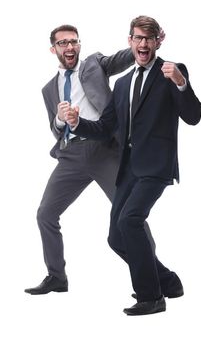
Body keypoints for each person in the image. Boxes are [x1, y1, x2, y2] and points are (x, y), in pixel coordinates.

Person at [64, 15, 201, 316]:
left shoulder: (172, 73)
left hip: (156, 166)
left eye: (149, 39)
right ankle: (167, 280)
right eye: (138, 38)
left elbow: (193, 116)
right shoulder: (123, 83)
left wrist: (181, 83)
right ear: (130, 41)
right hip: (128, 169)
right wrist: (77, 123)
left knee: (130, 221)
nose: (143, 44)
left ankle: (151, 297)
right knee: (116, 237)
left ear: (157, 42)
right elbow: (105, 127)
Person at [25, 24, 139, 296]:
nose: (69, 47)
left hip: (103, 149)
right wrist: (59, 118)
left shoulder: (93, 65)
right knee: (46, 214)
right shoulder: (48, 89)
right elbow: (55, 130)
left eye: (73, 41)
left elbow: (121, 59)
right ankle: (56, 277)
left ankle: (151, 275)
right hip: (70, 156)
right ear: (53, 49)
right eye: (63, 43)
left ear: (79, 45)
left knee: (130, 213)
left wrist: (139, 44)